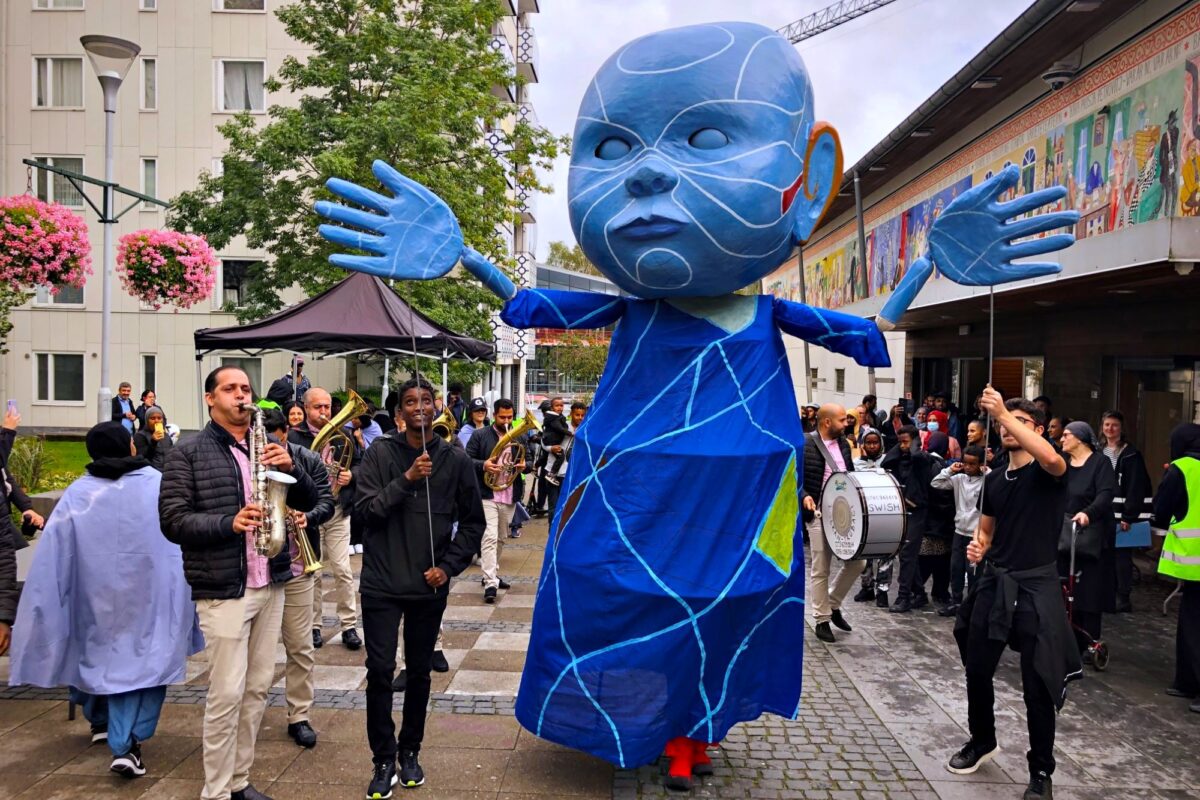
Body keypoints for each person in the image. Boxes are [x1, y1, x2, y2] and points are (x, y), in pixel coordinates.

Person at [159, 365, 320, 800]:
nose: (240, 396)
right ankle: (215, 792)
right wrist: (227, 523)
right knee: (227, 694)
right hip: (224, 589)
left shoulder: (267, 444)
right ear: (210, 398)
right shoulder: (186, 454)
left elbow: (308, 498)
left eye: (246, 389)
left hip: (271, 580)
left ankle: (239, 781)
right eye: (230, 389)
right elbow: (172, 521)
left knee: (256, 691)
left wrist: (294, 468)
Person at [9, 421, 204, 778]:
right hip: (150, 598)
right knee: (147, 664)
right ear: (131, 446)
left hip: (94, 598)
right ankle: (126, 741)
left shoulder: (78, 494)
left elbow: (57, 551)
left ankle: (99, 719)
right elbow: (179, 537)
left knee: (96, 653)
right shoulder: (157, 486)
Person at [354, 376, 485, 794]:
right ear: (399, 413)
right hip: (381, 582)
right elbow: (366, 513)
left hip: (428, 586)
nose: (419, 407)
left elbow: (473, 523)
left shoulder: (456, 460)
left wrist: (448, 567)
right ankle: (382, 758)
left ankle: (410, 750)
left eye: (426, 400)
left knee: (420, 672)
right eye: (410, 401)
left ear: (438, 408)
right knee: (379, 671)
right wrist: (408, 478)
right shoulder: (380, 453)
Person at [948, 388, 1079, 800]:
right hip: (996, 581)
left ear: (1037, 430)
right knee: (976, 667)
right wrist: (978, 546)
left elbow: (1054, 458)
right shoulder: (996, 480)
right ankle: (982, 740)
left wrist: (1004, 412)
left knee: (1036, 684)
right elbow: (985, 531)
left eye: (1021, 423)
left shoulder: (1047, 472)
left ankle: (1041, 771)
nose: (1008, 428)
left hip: (1037, 584)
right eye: (1005, 423)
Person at [260, 408, 335, 749]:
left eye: (275, 441)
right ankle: (248, 712)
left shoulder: (308, 459)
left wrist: (308, 516)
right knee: (255, 653)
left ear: (286, 435)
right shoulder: (246, 460)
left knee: (300, 647)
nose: (269, 447)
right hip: (258, 568)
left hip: (296, 564)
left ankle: (299, 715)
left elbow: (327, 503)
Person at [289, 387, 363, 651]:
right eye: (318, 407)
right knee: (314, 570)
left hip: (338, 510)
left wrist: (350, 476)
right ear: (306, 409)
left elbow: (359, 463)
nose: (324, 412)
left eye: (327, 407)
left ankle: (349, 625)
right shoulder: (294, 438)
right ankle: (315, 626)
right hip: (310, 513)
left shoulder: (343, 437)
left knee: (343, 570)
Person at [803, 403, 862, 643]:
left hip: (842, 513)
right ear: (827, 422)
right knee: (821, 568)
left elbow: (848, 475)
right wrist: (803, 495)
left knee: (858, 564)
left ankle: (834, 603)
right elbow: (792, 475)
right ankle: (822, 619)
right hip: (817, 512)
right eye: (841, 420)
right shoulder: (805, 443)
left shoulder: (844, 446)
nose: (847, 423)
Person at [1151, 423, 1200, 713]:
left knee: (1193, 623)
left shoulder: (1182, 468)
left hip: (1195, 560)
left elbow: (1161, 508)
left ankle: (1190, 683)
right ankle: (1186, 681)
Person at [1058, 421, 1116, 660]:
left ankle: (1088, 640)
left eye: (1066, 435)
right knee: (1063, 586)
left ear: (1080, 438)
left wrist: (1088, 513)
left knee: (1089, 590)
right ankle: (1064, 637)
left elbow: (1106, 494)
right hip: (1063, 534)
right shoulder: (1063, 465)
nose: (1061, 440)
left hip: (1090, 534)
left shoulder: (1100, 463)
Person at [465, 398, 521, 604]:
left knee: (501, 538)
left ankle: (492, 573)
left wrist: (526, 465)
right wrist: (484, 465)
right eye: (502, 417)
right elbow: (465, 459)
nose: (507, 421)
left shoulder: (518, 437)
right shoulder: (480, 435)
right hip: (487, 493)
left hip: (509, 493)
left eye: (510, 417)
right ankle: (490, 582)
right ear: (494, 416)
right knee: (488, 537)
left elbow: (530, 458)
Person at [1100, 411, 1152, 613]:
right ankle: (1109, 594)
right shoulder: (1100, 451)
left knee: (1122, 558)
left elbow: (1136, 487)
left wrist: (1129, 516)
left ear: (1121, 428)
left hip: (1124, 516)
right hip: (1106, 514)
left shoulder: (1131, 454)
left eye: (1114, 425)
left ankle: (1123, 597)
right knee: (1107, 556)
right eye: (1106, 425)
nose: (1110, 429)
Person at [883, 425, 937, 613]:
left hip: (918, 511)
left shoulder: (924, 459)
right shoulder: (899, 458)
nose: (903, 446)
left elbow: (917, 456)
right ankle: (919, 593)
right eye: (900, 442)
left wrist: (915, 444)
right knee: (905, 554)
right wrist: (901, 445)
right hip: (902, 511)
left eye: (906, 442)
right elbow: (885, 462)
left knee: (907, 553)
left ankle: (903, 596)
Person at [931, 446, 987, 617]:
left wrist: (988, 472)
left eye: (973, 464)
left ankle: (972, 604)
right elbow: (936, 483)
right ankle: (956, 602)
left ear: (981, 465)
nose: (969, 467)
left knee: (973, 572)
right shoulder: (960, 479)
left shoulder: (986, 481)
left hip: (976, 533)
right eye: (966, 463)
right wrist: (950, 469)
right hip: (959, 531)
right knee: (955, 568)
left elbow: (997, 485)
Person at [852, 430, 893, 607]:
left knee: (886, 551)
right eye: (868, 442)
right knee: (865, 551)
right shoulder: (856, 463)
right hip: (865, 512)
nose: (872, 446)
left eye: (875, 442)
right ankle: (867, 587)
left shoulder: (889, 460)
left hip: (886, 510)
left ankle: (882, 590)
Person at [133, 405, 173, 471]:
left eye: (159, 418)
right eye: (153, 418)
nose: (156, 421)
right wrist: (153, 442)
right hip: (150, 473)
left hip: (166, 472)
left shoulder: (166, 436)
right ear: (147, 420)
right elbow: (141, 457)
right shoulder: (140, 435)